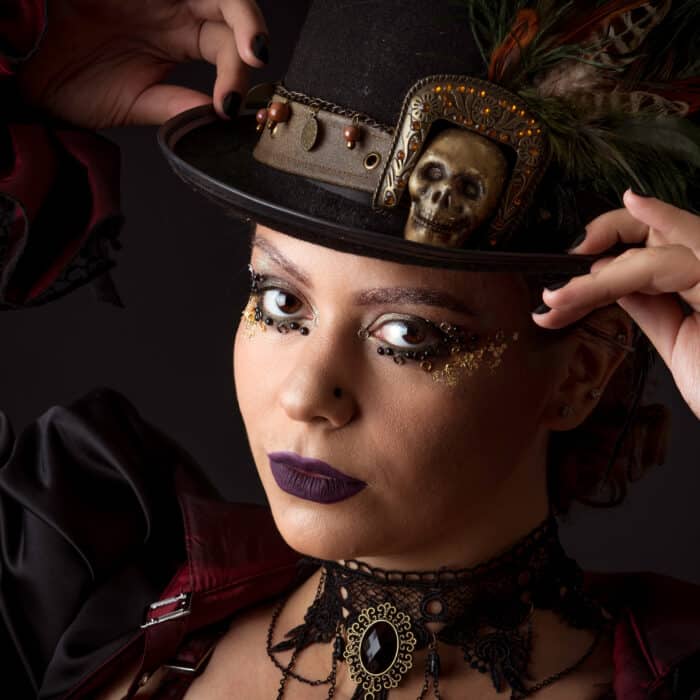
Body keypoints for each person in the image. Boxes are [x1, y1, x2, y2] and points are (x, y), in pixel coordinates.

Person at [1, 1, 700, 699]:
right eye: (281, 302)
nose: (307, 395)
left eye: (407, 333)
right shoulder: (84, 591)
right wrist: (19, 64)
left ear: (577, 375)